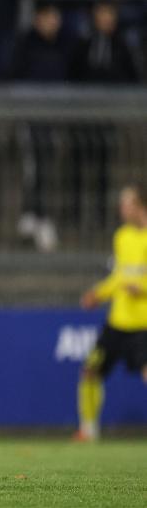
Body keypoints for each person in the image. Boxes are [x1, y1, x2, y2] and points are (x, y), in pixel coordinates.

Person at [77, 185, 147, 441]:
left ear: (141, 206)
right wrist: (99, 293)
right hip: (117, 322)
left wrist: (141, 288)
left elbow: (136, 281)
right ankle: (88, 429)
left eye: (127, 204)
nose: (122, 209)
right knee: (90, 369)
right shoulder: (122, 236)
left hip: (143, 324)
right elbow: (119, 276)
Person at [68, 2, 140, 229]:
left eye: (111, 13)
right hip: (83, 113)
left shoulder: (121, 45)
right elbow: (72, 74)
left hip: (107, 115)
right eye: (102, 12)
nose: (107, 18)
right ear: (95, 15)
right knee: (79, 164)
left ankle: (99, 214)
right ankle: (76, 212)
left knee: (102, 166)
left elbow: (132, 76)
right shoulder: (83, 43)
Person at [12, 2, 74, 252]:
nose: (52, 22)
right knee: (34, 169)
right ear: (37, 19)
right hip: (31, 117)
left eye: (55, 17)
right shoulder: (26, 44)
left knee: (45, 169)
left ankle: (35, 216)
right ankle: (35, 216)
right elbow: (13, 76)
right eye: (47, 17)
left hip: (53, 117)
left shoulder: (64, 45)